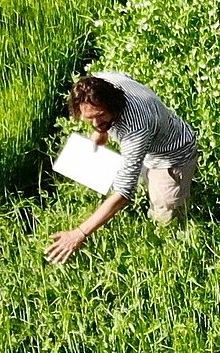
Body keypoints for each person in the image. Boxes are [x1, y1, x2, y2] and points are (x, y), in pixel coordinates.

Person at [45, 72, 200, 264]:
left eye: (100, 116)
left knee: (165, 216)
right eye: (89, 119)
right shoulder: (104, 81)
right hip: (150, 147)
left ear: (113, 105)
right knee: (136, 176)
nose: (95, 123)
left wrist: (79, 233)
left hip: (171, 158)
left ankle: (171, 256)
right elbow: (100, 112)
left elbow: (124, 193)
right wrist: (100, 131)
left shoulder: (136, 128)